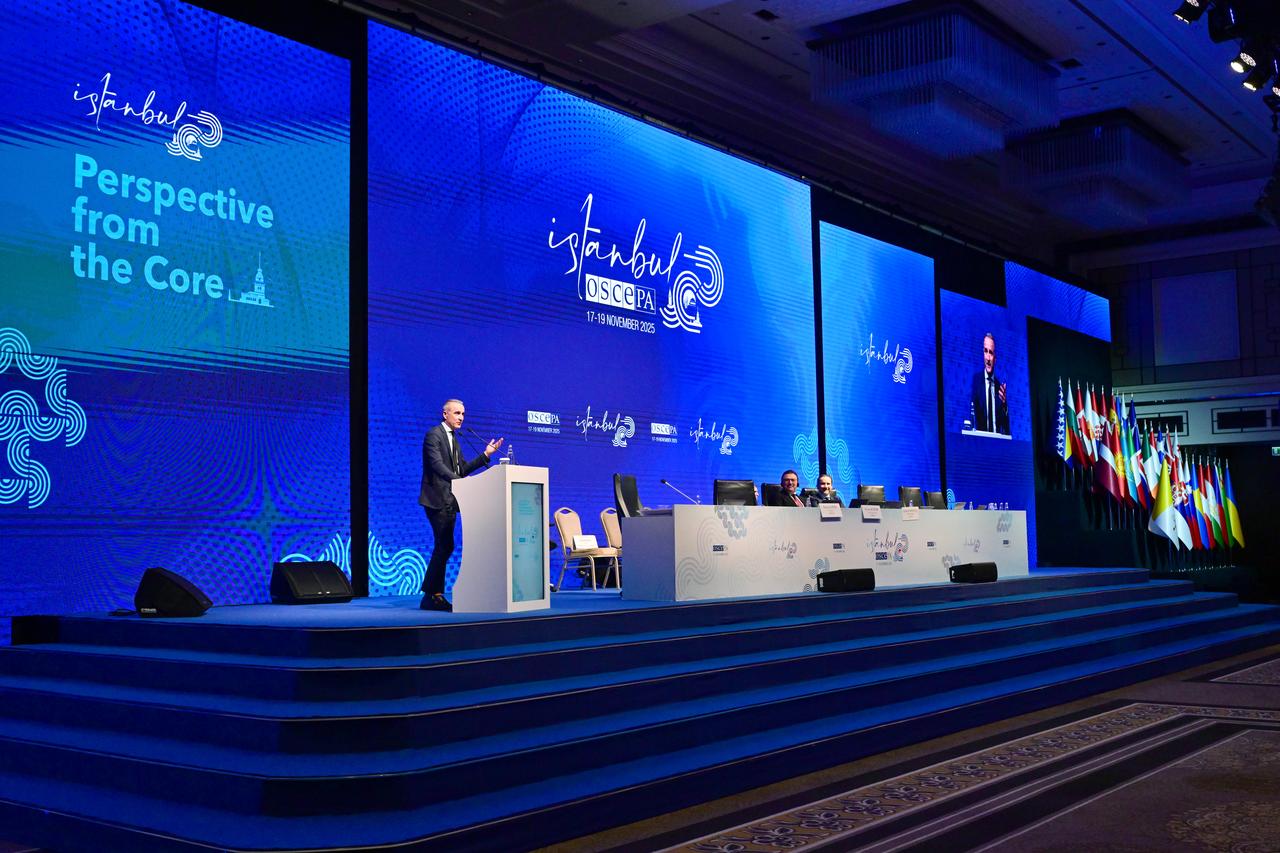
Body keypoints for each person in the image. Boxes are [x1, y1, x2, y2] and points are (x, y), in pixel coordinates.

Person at [419, 399, 503, 611]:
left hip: (451, 500)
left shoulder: (454, 439)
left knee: (445, 546)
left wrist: (486, 455)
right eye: (457, 413)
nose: (461, 418)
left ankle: (431, 594)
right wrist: (459, 480)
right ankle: (432, 595)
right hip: (437, 499)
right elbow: (437, 466)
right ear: (445, 414)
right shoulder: (434, 435)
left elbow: (462, 469)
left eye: (463, 414)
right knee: (444, 545)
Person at [969, 331, 1009, 435]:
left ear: (995, 358)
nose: (987, 358)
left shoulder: (1000, 388)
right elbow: (972, 417)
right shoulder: (976, 381)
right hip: (980, 443)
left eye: (991, 353)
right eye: (985, 351)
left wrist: (1004, 405)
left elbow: (1006, 429)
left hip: (997, 445)